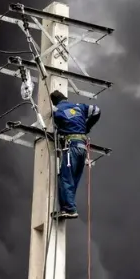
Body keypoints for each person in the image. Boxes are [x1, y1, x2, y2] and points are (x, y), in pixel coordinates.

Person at [49, 89, 101, 220]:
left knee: (65, 178)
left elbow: (55, 126)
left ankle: (69, 209)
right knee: (73, 180)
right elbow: (96, 110)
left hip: (71, 147)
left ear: (54, 102)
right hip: (82, 148)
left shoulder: (57, 109)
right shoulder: (79, 106)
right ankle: (68, 207)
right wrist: (87, 127)